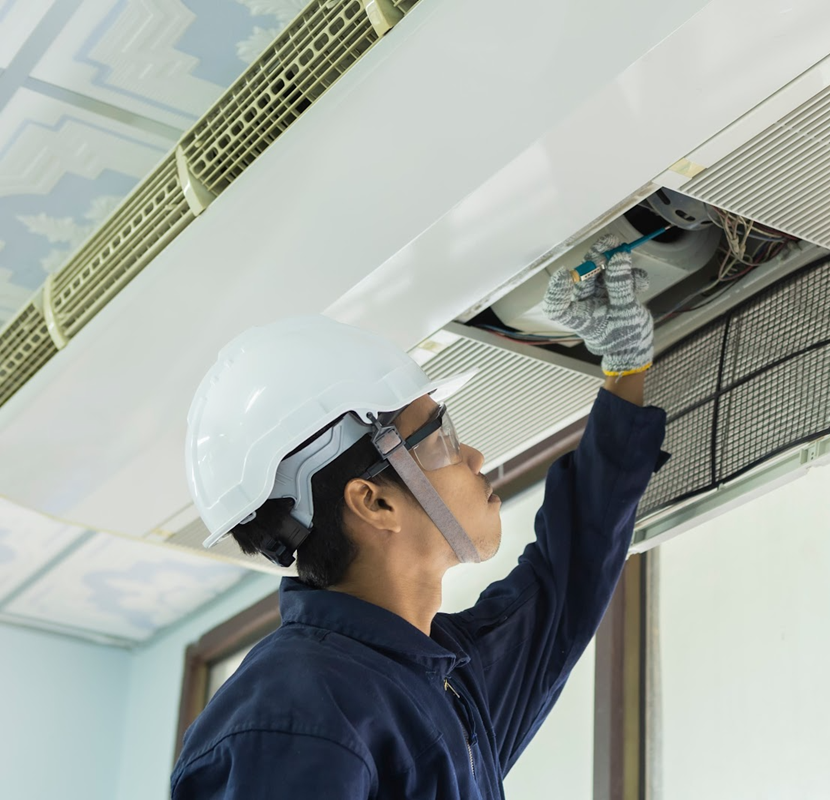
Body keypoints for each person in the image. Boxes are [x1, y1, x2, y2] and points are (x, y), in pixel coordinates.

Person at [171, 237, 667, 799]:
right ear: (374, 502)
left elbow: (570, 575)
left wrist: (626, 368)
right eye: (440, 439)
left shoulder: (439, 681)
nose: (474, 456)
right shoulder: (291, 713)